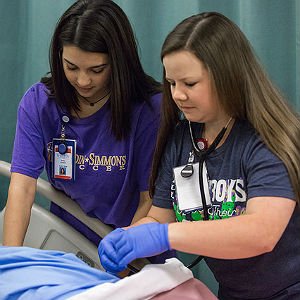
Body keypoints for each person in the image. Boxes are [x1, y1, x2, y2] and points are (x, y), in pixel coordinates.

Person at [98, 12, 300, 300]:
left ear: (227, 76)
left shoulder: (266, 138)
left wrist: (163, 236)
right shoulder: (182, 139)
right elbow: (160, 217)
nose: (178, 95)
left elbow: (262, 233)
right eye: (171, 83)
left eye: (189, 84)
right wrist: (129, 237)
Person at [3, 0, 163, 253]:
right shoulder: (40, 104)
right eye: (71, 67)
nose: (83, 80)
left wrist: (121, 263)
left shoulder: (149, 110)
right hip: (68, 246)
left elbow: (151, 201)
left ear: (119, 62)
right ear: (59, 57)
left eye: (97, 69)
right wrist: (10, 262)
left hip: (134, 252)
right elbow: (21, 188)